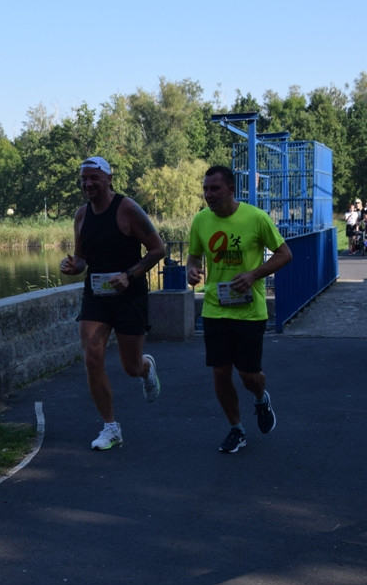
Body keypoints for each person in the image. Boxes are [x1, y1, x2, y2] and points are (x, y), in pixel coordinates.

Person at [60, 156, 166, 450]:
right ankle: (111, 427)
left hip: (129, 295)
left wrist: (129, 274)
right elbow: (82, 258)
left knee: (130, 366)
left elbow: (158, 249)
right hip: (96, 295)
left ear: (108, 179)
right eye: (83, 178)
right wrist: (73, 265)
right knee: (92, 357)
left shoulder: (128, 209)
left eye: (94, 177)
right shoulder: (81, 216)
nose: (88, 183)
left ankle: (146, 369)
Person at [186, 165, 293, 454]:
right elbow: (193, 256)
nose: (209, 194)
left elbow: (285, 254)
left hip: (249, 310)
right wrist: (192, 271)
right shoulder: (200, 221)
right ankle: (236, 429)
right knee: (220, 372)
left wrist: (253, 275)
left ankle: (261, 398)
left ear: (231, 190)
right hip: (215, 308)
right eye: (206, 188)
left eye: (215, 189)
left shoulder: (256, 218)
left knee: (249, 375)